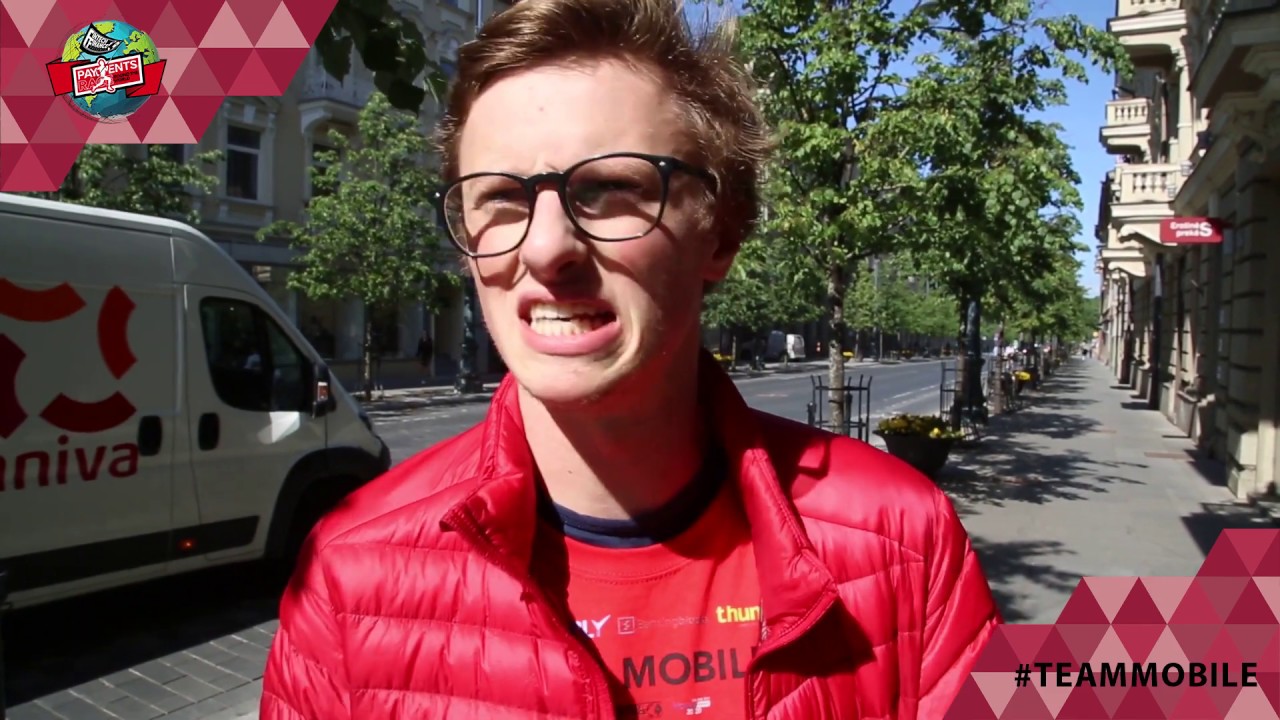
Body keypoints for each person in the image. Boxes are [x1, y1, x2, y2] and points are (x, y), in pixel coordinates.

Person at [260, 0, 1000, 717]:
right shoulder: (348, 570)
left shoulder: (907, 536)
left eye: (611, 189)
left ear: (722, 232)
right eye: (502, 199)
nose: (545, 248)